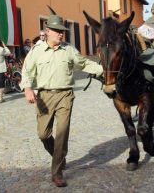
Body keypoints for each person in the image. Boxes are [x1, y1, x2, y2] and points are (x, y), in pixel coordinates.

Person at [20, 14, 103, 187]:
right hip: (44, 96)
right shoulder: (37, 51)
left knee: (62, 133)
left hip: (65, 95)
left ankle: (56, 171)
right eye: (57, 31)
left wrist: (105, 70)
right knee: (43, 134)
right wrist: (27, 88)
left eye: (62, 31)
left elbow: (84, 64)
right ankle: (58, 156)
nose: (61, 34)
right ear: (47, 31)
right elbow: (27, 71)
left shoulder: (69, 50)